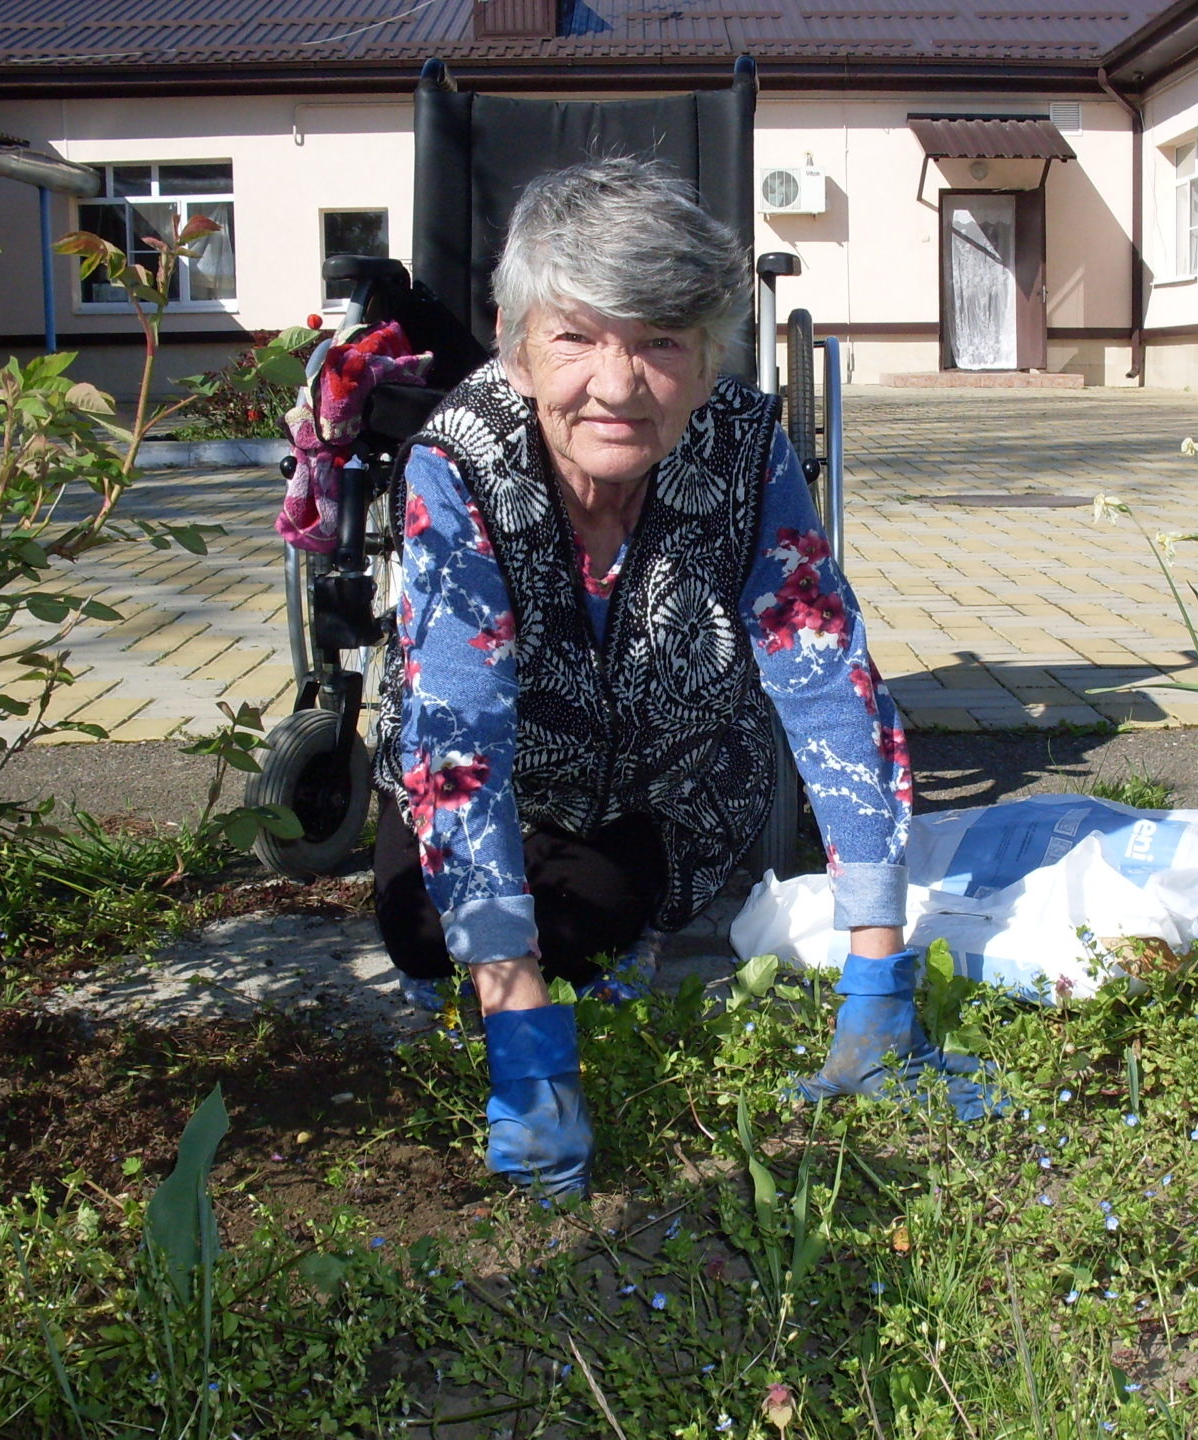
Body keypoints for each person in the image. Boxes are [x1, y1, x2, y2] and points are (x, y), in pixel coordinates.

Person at [373, 158, 999, 1202]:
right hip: (503, 777)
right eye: (576, 336)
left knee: (594, 909)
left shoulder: (746, 446)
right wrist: (517, 1011)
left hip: (671, 788)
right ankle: (519, 942)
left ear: (709, 360)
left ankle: (583, 903)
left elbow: (823, 677)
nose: (617, 386)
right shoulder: (458, 461)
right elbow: (457, 726)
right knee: (432, 931)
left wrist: (880, 964)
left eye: (660, 342)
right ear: (517, 346)